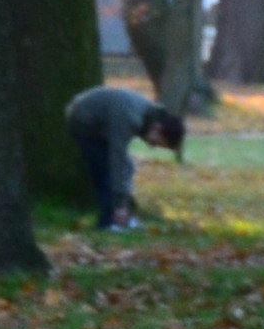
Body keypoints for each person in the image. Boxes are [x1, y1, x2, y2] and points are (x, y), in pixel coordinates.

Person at [64, 82, 184, 230]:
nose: (152, 146)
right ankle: (108, 221)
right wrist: (120, 204)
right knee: (107, 170)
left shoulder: (146, 114)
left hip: (101, 125)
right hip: (84, 122)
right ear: (158, 128)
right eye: (157, 142)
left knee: (126, 167)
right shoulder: (130, 117)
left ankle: (119, 216)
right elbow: (117, 156)